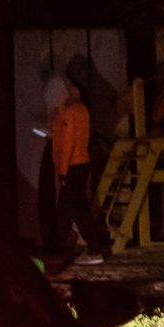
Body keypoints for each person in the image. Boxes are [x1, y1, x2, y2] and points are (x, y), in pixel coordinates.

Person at [48, 77, 110, 264]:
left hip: (72, 167)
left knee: (72, 211)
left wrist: (63, 171)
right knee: (71, 211)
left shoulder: (69, 112)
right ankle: (64, 249)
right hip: (80, 165)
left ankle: (91, 250)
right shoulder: (80, 109)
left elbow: (67, 143)